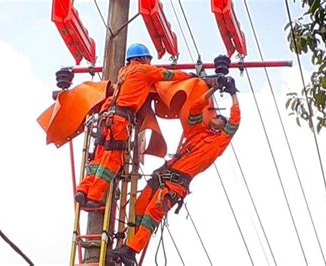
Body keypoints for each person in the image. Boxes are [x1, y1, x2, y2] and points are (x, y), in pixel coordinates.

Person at [108, 76, 241, 265]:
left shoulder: (219, 142)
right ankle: (125, 246)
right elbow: (195, 108)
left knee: (151, 215)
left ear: (223, 126)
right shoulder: (198, 132)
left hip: (175, 185)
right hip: (162, 176)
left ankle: (131, 251)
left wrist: (233, 94)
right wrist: (213, 89)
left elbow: (235, 121)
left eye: (220, 117)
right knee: (138, 209)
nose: (215, 117)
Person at [75, 43, 196, 208]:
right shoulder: (144, 70)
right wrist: (188, 75)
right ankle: (94, 196)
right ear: (142, 58)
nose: (149, 62)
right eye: (148, 59)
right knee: (113, 159)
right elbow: (167, 75)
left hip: (106, 117)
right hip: (120, 119)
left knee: (98, 156)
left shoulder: (123, 72)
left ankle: (83, 189)